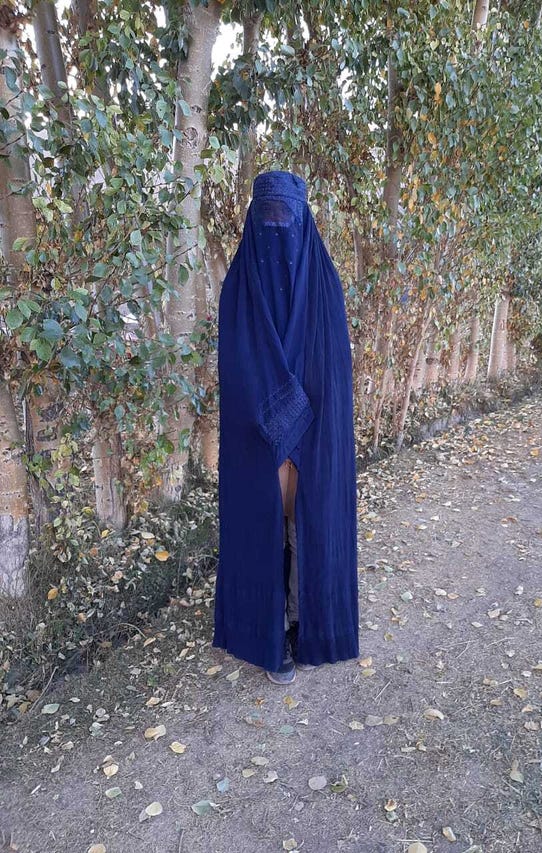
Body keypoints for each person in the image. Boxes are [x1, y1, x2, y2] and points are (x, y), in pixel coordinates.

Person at [212, 170, 359, 685]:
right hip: (257, 427)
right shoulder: (239, 287)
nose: (278, 229)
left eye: (286, 217)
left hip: (316, 427)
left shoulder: (324, 284)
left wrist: (304, 414)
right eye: (267, 216)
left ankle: (306, 620)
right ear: (255, 220)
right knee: (263, 524)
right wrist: (275, 407)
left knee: (308, 523)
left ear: (304, 219)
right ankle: (268, 630)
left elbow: (334, 369)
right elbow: (235, 362)